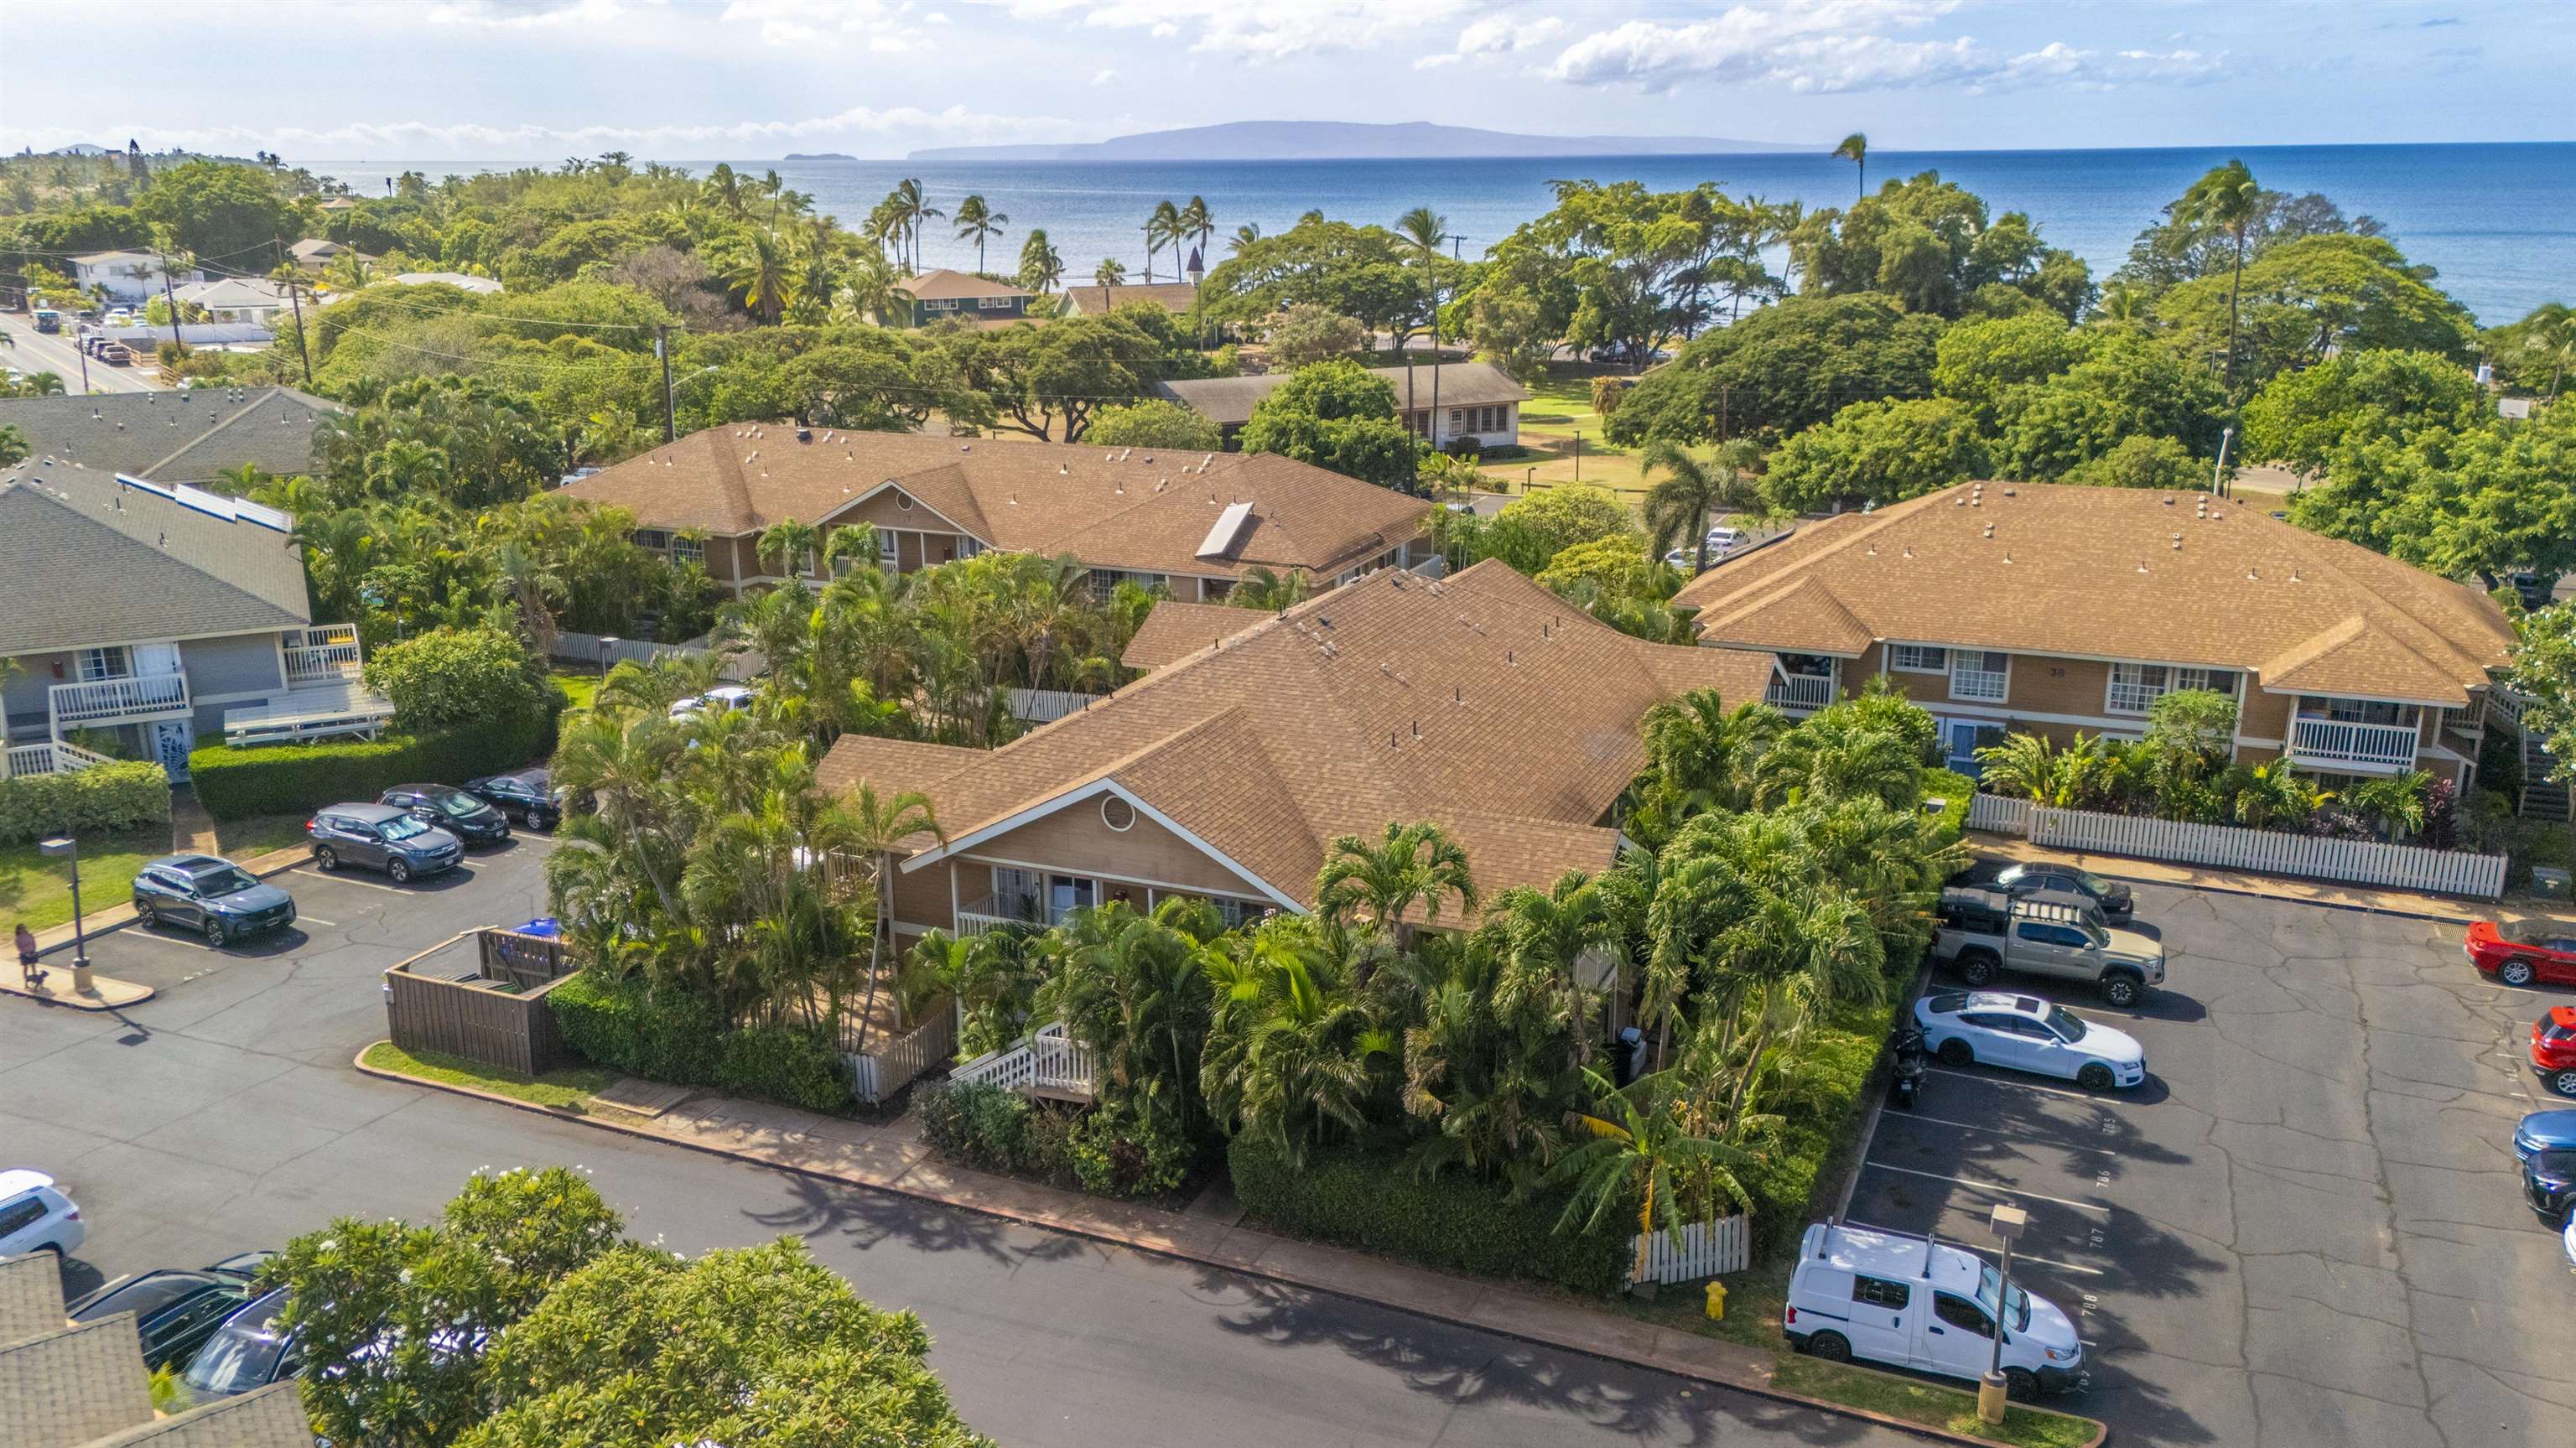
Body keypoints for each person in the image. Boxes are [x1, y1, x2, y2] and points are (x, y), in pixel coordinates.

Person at [15, 921, 44, 990]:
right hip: (24, 954)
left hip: (32, 952)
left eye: (24, 927)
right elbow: (19, 948)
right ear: (18, 930)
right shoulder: (18, 938)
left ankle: (36, 981)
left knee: (33, 967)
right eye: (21, 928)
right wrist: (25, 954)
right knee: (26, 968)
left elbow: (34, 943)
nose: (23, 929)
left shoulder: (29, 935)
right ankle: (26, 983)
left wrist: (34, 951)